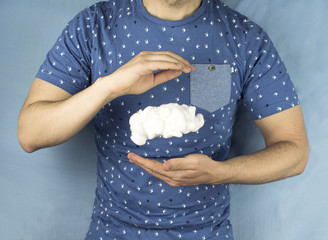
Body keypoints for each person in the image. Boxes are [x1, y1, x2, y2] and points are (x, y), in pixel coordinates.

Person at [17, 0, 309, 239]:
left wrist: (221, 172)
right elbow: (30, 133)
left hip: (208, 232)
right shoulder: (93, 28)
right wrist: (109, 86)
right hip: (112, 232)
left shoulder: (245, 38)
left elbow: (295, 152)